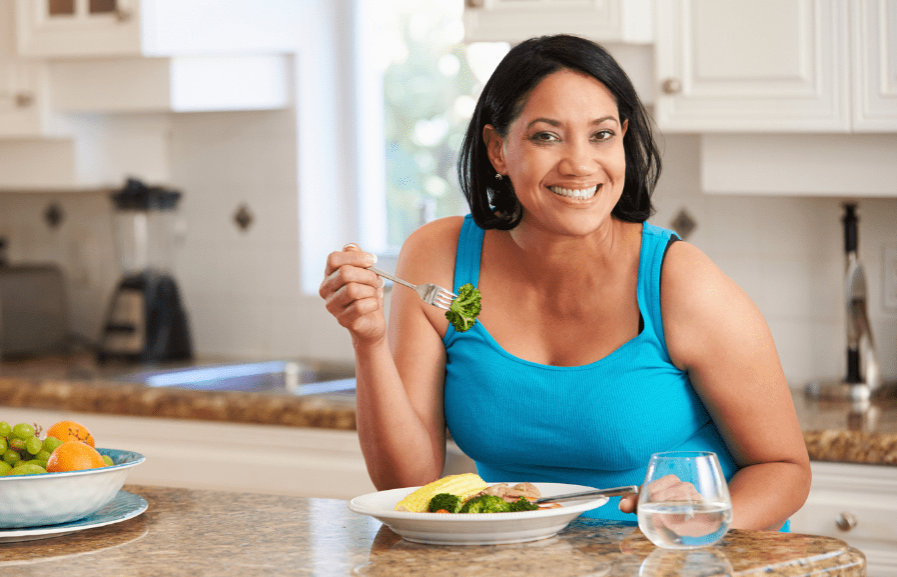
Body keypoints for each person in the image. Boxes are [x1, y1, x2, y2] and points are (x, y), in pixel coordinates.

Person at [320, 35, 811, 536]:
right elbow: (409, 483)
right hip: (534, 575)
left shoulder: (677, 281)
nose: (579, 163)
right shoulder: (438, 258)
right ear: (498, 150)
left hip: (690, 568)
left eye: (601, 135)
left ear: (622, 138)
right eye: (547, 137)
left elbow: (785, 471)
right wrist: (369, 340)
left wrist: (697, 521)